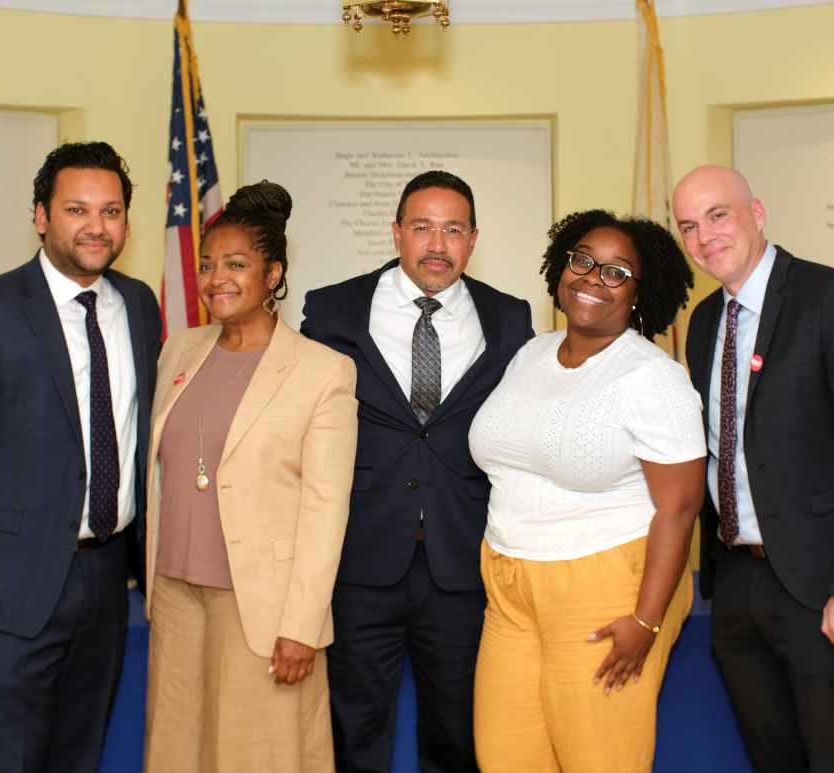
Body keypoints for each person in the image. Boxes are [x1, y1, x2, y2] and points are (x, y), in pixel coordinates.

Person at [0, 141, 161, 772]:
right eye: (77, 209)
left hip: (107, 580)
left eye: (111, 211)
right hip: (8, 581)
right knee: (10, 758)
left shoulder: (139, 306)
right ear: (42, 216)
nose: (96, 227)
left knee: (81, 753)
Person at [674, 165, 834, 773]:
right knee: (770, 757)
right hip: (737, 583)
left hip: (824, 582)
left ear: (757, 211)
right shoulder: (704, 321)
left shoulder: (831, 297)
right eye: (689, 227)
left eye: (718, 216)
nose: (705, 239)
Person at [301, 170, 533, 772]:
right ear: (397, 232)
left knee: (459, 732)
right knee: (354, 730)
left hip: (463, 560)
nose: (437, 244)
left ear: (474, 238)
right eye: (423, 227)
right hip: (361, 557)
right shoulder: (332, 310)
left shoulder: (511, 320)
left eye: (453, 229)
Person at [467, 210, 705, 772]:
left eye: (617, 272)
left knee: (600, 759)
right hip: (509, 586)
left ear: (641, 294)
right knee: (505, 756)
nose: (593, 279)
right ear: (560, 269)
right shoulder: (530, 355)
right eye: (583, 261)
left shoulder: (652, 377)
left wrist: (646, 621)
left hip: (605, 589)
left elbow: (680, 506)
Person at [142, 180, 358, 773]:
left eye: (237, 265)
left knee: (256, 757)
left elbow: (325, 509)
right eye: (208, 266)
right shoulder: (178, 351)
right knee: (175, 751)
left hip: (261, 605)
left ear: (274, 273)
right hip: (175, 593)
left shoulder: (323, 371)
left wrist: (303, 626)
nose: (218, 279)